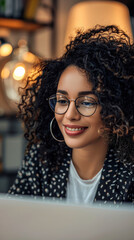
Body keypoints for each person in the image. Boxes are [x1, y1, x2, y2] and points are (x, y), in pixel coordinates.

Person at [8, 25, 134, 205]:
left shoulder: (129, 171)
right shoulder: (41, 158)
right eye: (62, 100)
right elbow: (13, 220)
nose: (70, 115)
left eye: (86, 102)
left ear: (115, 108)